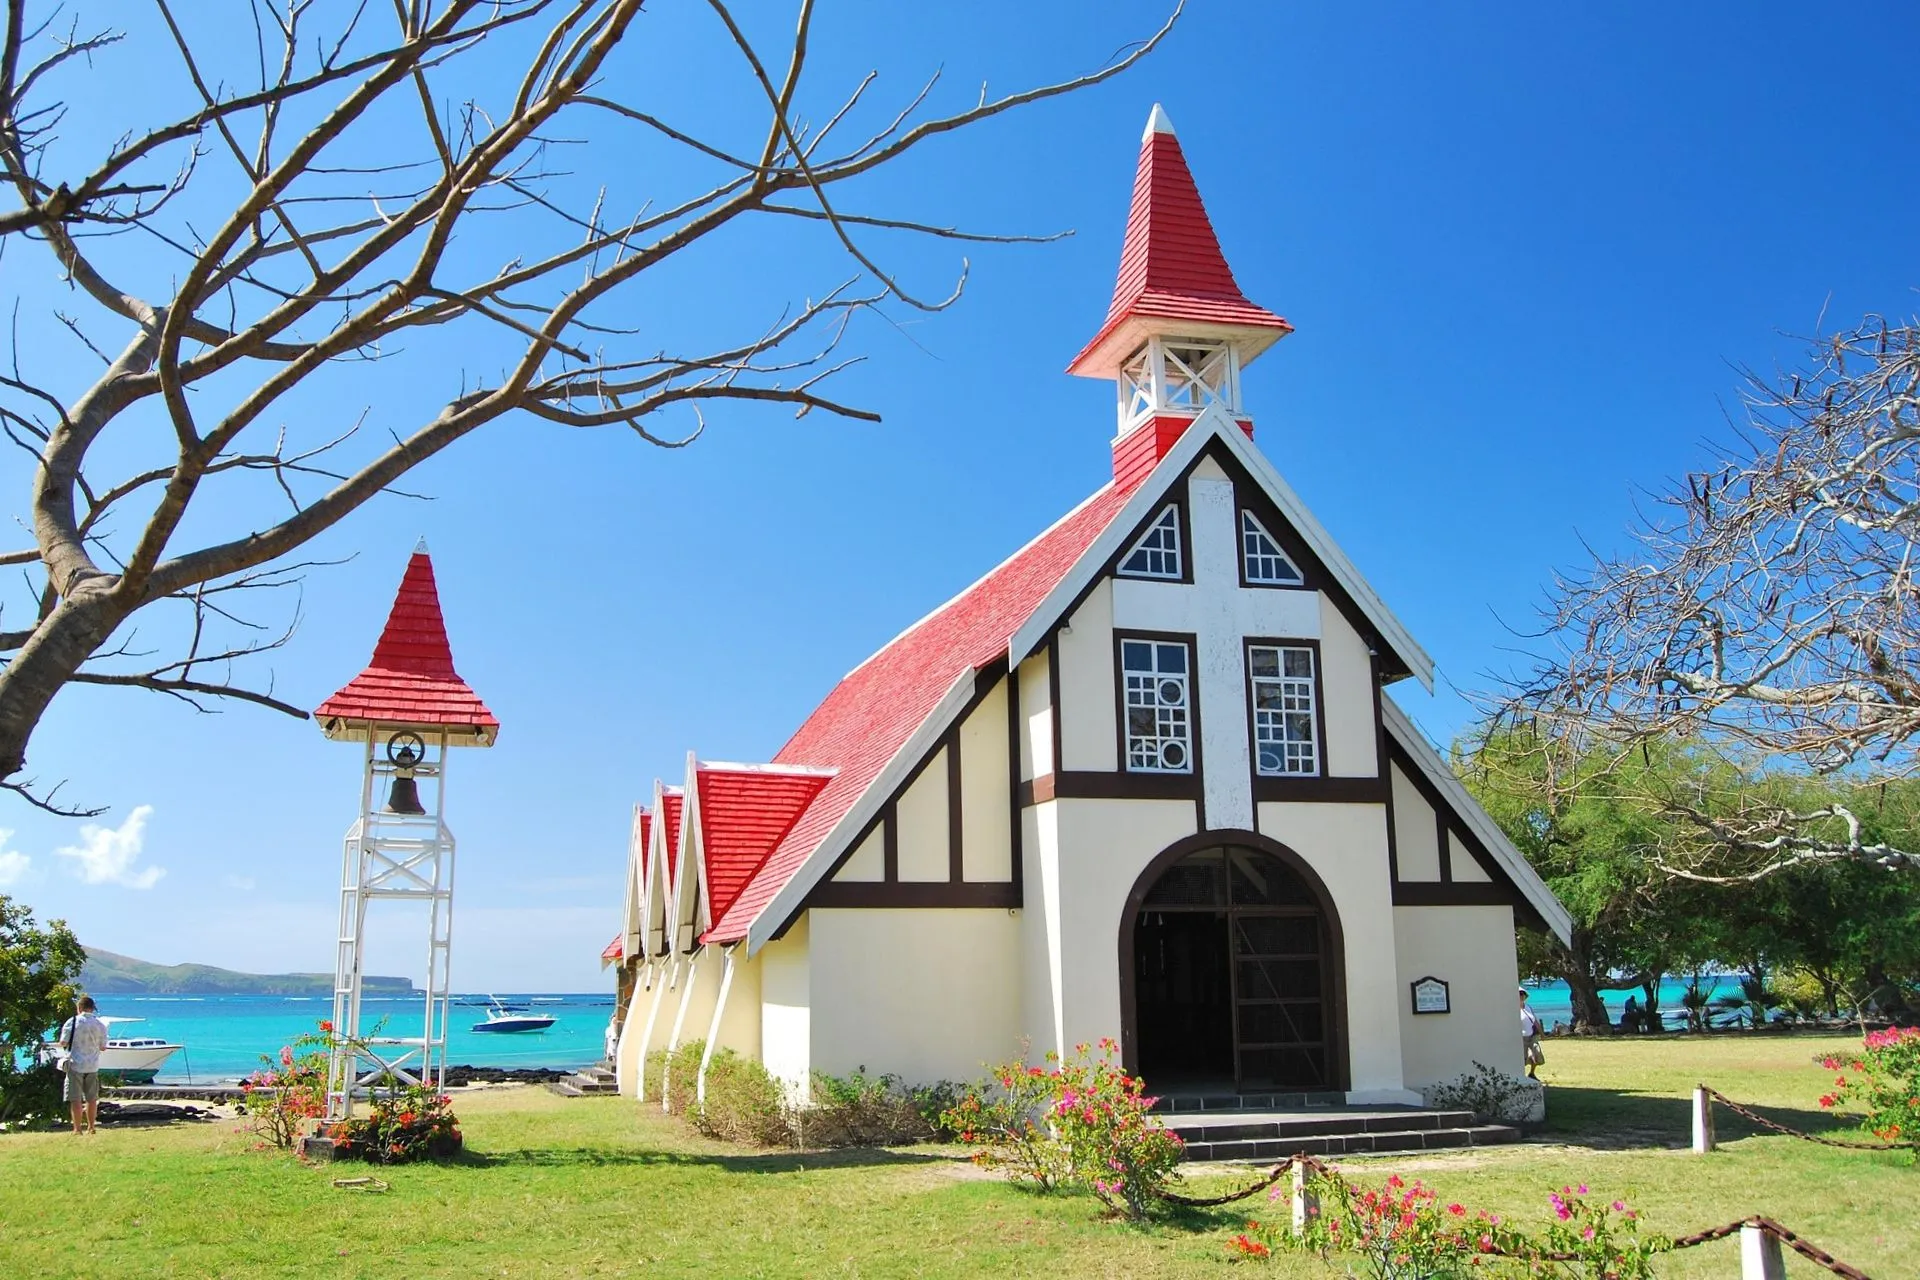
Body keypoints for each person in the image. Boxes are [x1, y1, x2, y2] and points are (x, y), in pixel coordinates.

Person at [57, 995, 110, 1135]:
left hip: (75, 1064)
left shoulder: (72, 1022)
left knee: (75, 1099)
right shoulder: (100, 1024)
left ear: (79, 1007)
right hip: (92, 1065)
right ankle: (91, 1127)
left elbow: (63, 1042)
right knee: (92, 1098)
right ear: (92, 1008)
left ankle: (77, 1128)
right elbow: (103, 1047)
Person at [1518, 987, 1544, 1079]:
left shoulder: (1528, 1007)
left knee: (1536, 1053)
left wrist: (1542, 1033)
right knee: (1523, 1058)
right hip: (1522, 1038)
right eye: (1519, 994)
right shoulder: (1514, 1009)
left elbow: (1535, 1021)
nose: (1521, 996)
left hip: (1532, 1035)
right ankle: (1521, 1075)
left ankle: (1532, 1073)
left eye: (1523, 994)